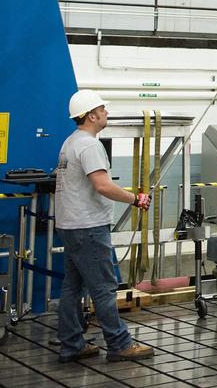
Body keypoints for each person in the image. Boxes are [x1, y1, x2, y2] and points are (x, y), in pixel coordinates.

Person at [54, 90, 154, 364]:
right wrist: (136, 199)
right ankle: (119, 344)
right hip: (88, 226)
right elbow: (102, 185)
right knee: (104, 286)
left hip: (70, 224)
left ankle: (72, 344)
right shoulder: (89, 145)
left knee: (72, 286)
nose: (106, 113)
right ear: (91, 115)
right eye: (103, 109)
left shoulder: (70, 142)